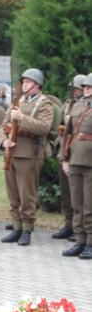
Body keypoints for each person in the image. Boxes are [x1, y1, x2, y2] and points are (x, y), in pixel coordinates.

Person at [0, 68, 53, 246]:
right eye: (23, 82)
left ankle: (27, 228)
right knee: (13, 193)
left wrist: (22, 118)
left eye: (28, 82)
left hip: (29, 153)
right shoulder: (19, 101)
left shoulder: (44, 103)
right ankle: (16, 226)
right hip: (11, 152)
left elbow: (44, 127)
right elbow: (3, 125)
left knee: (27, 194)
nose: (24, 85)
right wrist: (4, 141)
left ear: (37, 84)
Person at [61, 73, 92, 259]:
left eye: (90, 87)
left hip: (90, 163)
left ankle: (90, 242)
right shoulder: (78, 106)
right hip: (74, 160)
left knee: (90, 205)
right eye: (85, 86)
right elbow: (68, 134)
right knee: (77, 204)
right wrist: (64, 158)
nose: (87, 89)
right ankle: (80, 240)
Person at [52, 74, 86, 240]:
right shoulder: (67, 104)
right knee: (66, 191)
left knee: (80, 194)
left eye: (77, 88)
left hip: (81, 152)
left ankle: (80, 227)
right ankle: (68, 224)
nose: (74, 91)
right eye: (72, 88)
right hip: (65, 150)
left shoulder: (85, 106)